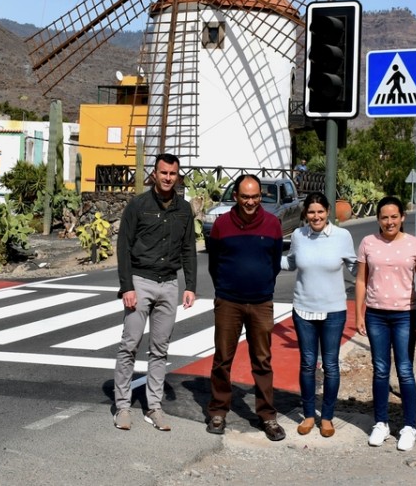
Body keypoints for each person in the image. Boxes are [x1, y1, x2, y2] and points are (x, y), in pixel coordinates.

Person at [112, 153, 197, 432]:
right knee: (130, 344)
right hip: (141, 281)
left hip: (169, 284)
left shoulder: (184, 209)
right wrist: (127, 287)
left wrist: (191, 287)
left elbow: (188, 249)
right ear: (154, 174)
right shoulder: (138, 206)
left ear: (177, 175)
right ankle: (123, 406)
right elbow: (123, 247)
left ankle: (154, 407)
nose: (167, 178)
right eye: (163, 173)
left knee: (160, 349)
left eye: (172, 174)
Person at [205, 174, 286, 441]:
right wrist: (225, 289)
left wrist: (262, 285)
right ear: (236, 197)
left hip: (261, 302)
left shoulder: (273, 224)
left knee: (262, 360)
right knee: (222, 359)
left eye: (255, 196)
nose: (250, 202)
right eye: (245, 197)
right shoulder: (222, 225)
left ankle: (267, 416)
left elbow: (274, 263)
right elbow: (214, 262)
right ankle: (218, 410)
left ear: (260, 196)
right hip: (229, 301)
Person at [281, 193, 356, 438]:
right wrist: (264, 256)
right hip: (303, 309)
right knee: (307, 363)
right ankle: (309, 415)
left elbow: (356, 267)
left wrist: (377, 266)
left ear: (328, 212)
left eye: (320, 212)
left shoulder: (342, 237)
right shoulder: (299, 236)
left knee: (331, 365)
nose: (316, 216)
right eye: (311, 212)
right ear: (306, 214)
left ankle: (327, 417)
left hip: (334, 311)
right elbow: (291, 263)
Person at [354, 196, 416, 451]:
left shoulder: (415, 245)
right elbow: (361, 280)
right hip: (376, 315)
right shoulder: (368, 243)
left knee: (405, 369)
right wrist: (359, 314)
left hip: (406, 314)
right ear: (378, 219)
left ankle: (409, 426)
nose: (389, 221)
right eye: (384, 217)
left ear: (402, 217)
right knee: (380, 369)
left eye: (394, 216)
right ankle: (381, 423)